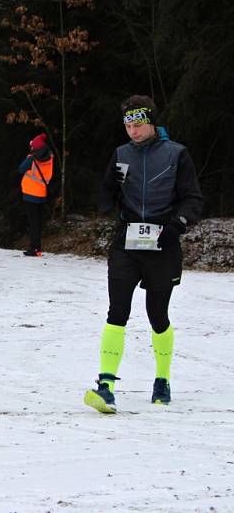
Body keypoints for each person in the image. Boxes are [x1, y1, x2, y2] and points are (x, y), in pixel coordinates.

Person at [84, 95, 203, 413]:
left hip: (163, 245)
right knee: (117, 311)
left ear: (151, 122)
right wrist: (108, 194)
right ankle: (105, 385)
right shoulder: (121, 154)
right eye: (128, 126)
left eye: (138, 125)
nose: (133, 132)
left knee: (157, 316)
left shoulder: (177, 154)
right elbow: (105, 194)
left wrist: (177, 224)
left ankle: (162, 379)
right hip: (127, 243)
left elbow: (193, 199)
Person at [18, 133, 55, 256]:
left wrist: (29, 157)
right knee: (37, 222)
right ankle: (37, 248)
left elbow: (21, 169)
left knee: (33, 222)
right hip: (42, 193)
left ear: (35, 148)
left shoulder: (32, 159)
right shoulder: (50, 157)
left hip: (30, 194)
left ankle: (35, 248)